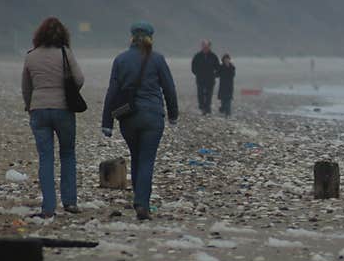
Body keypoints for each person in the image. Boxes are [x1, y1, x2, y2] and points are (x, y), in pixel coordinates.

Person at [101, 21, 178, 220]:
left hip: (128, 117)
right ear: (150, 38)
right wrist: (173, 115)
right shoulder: (158, 60)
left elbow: (112, 92)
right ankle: (142, 203)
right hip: (153, 116)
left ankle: (139, 199)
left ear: (132, 37)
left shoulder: (121, 60)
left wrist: (107, 123)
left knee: (136, 157)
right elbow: (169, 89)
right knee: (147, 159)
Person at [21, 16, 84, 218]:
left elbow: (26, 87)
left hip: (38, 109)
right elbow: (80, 79)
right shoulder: (66, 53)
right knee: (67, 154)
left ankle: (48, 206)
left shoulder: (31, 56)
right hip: (63, 109)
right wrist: (67, 91)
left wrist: (30, 105)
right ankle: (70, 202)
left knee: (45, 158)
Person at [191, 39, 220, 115]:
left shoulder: (213, 56)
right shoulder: (197, 56)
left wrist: (216, 75)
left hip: (210, 79)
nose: (205, 47)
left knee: (209, 95)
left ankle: (207, 108)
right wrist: (197, 73)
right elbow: (193, 66)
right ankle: (202, 107)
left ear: (210, 47)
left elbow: (218, 67)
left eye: (207, 46)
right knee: (200, 94)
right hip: (200, 79)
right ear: (202, 46)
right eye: (204, 46)